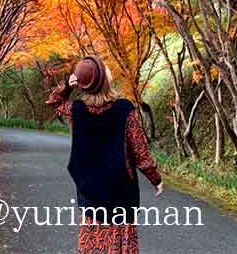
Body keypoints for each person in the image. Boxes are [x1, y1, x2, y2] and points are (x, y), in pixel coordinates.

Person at [47, 55, 162, 254]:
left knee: (93, 244)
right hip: (121, 194)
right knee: (121, 245)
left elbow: (54, 101)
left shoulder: (77, 111)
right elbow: (140, 152)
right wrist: (155, 179)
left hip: (90, 191)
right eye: (104, 69)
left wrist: (66, 85)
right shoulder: (124, 110)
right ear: (103, 80)